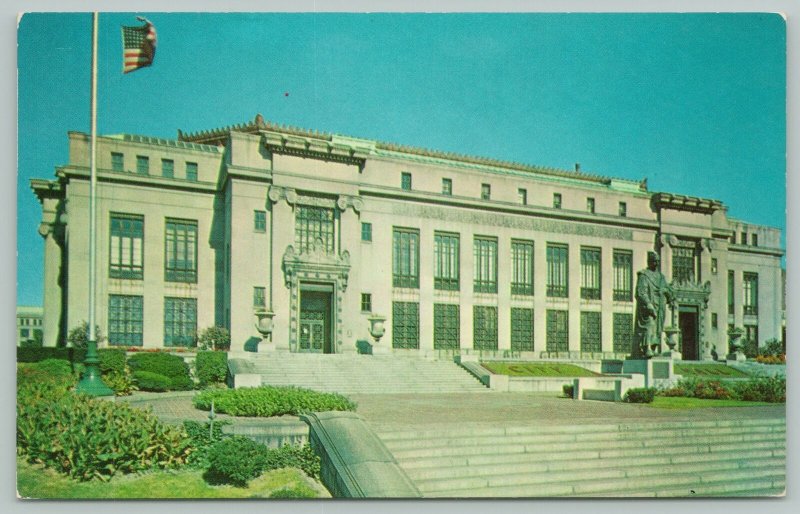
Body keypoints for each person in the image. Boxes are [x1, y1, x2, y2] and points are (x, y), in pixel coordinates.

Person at [633, 251, 676, 358]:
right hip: (647, 308)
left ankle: (652, 348)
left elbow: (669, 290)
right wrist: (648, 304)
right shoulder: (644, 275)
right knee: (649, 326)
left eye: (657, 261)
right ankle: (646, 348)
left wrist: (668, 294)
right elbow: (640, 292)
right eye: (654, 261)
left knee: (657, 329)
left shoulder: (661, 277)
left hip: (660, 307)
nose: (656, 263)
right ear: (649, 262)